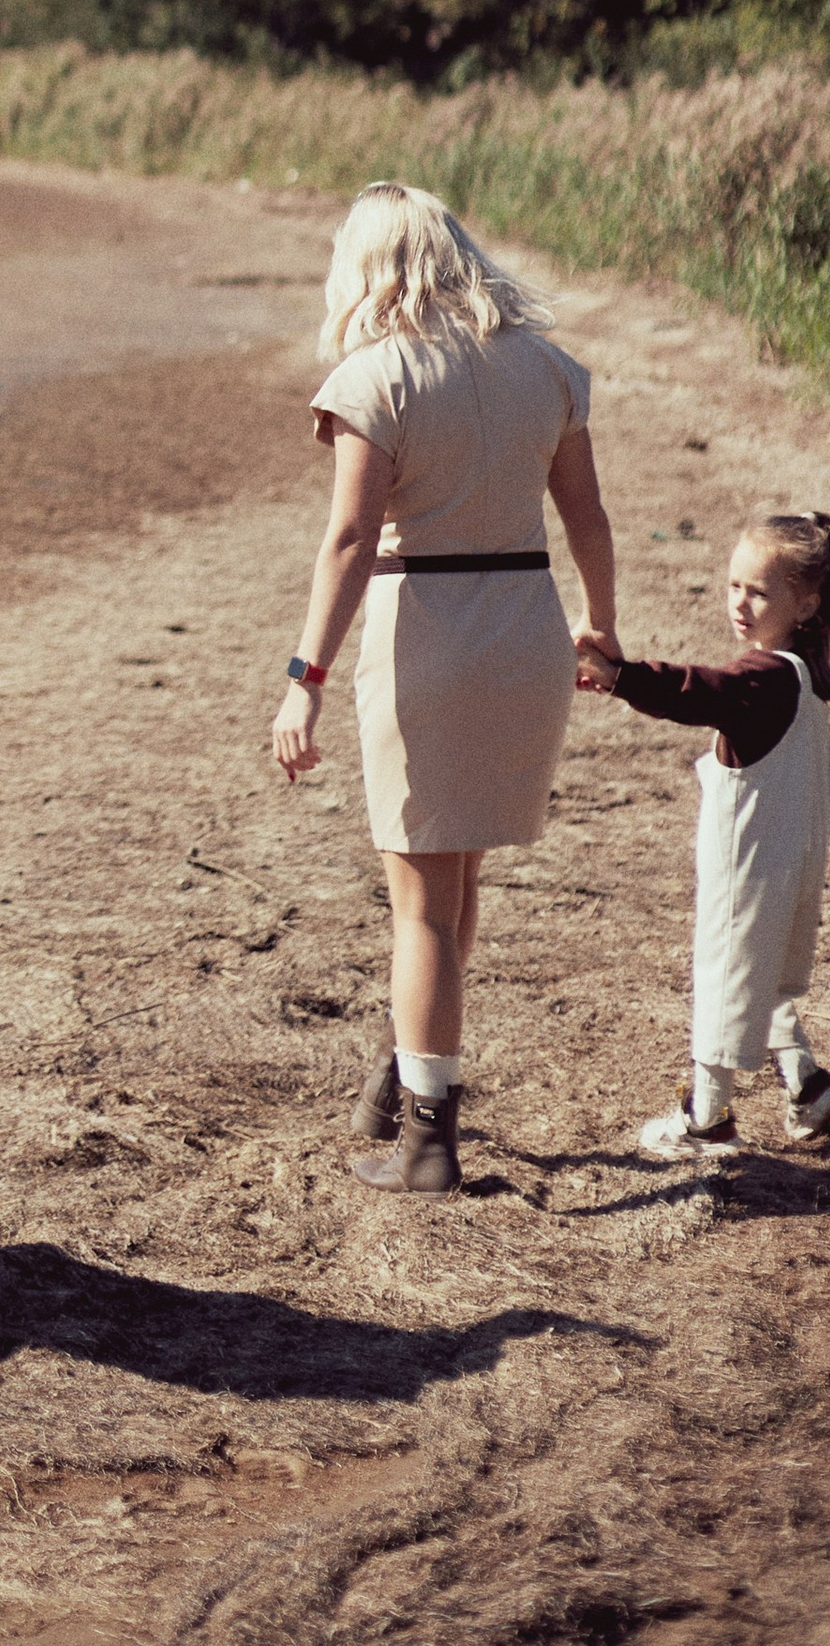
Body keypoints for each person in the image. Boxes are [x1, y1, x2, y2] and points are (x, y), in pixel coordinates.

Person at [272, 181, 617, 1197]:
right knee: (454, 883)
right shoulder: (547, 369)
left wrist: (305, 678)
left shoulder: (374, 378)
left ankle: (426, 1142)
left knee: (420, 900)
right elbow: (587, 520)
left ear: (365, 266)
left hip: (425, 630)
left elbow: (345, 540)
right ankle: (405, 1069)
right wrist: (599, 626)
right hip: (525, 629)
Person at [578, 508, 830, 1158]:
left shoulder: (762, 678)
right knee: (757, 976)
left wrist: (621, 677)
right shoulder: (809, 683)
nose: (740, 601)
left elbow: (695, 690)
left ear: (806, 603)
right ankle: (807, 1085)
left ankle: (708, 1119)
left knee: (724, 975)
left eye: (759, 591)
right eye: (734, 585)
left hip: (748, 864)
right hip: (790, 862)